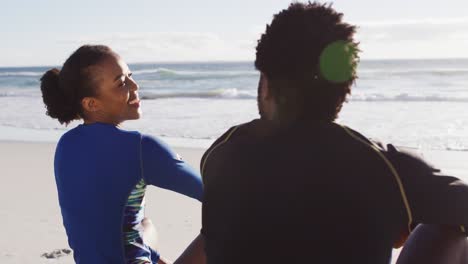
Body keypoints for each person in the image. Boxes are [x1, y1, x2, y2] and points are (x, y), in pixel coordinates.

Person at [200, 2, 468, 264]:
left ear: (267, 85)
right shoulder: (384, 165)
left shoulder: (222, 154)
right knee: (450, 226)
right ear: (344, 91)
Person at [40, 45, 203, 264]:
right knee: (226, 220)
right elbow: (217, 195)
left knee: (145, 225)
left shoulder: (66, 145)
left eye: (130, 76)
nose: (135, 86)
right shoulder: (142, 148)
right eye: (121, 83)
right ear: (91, 104)